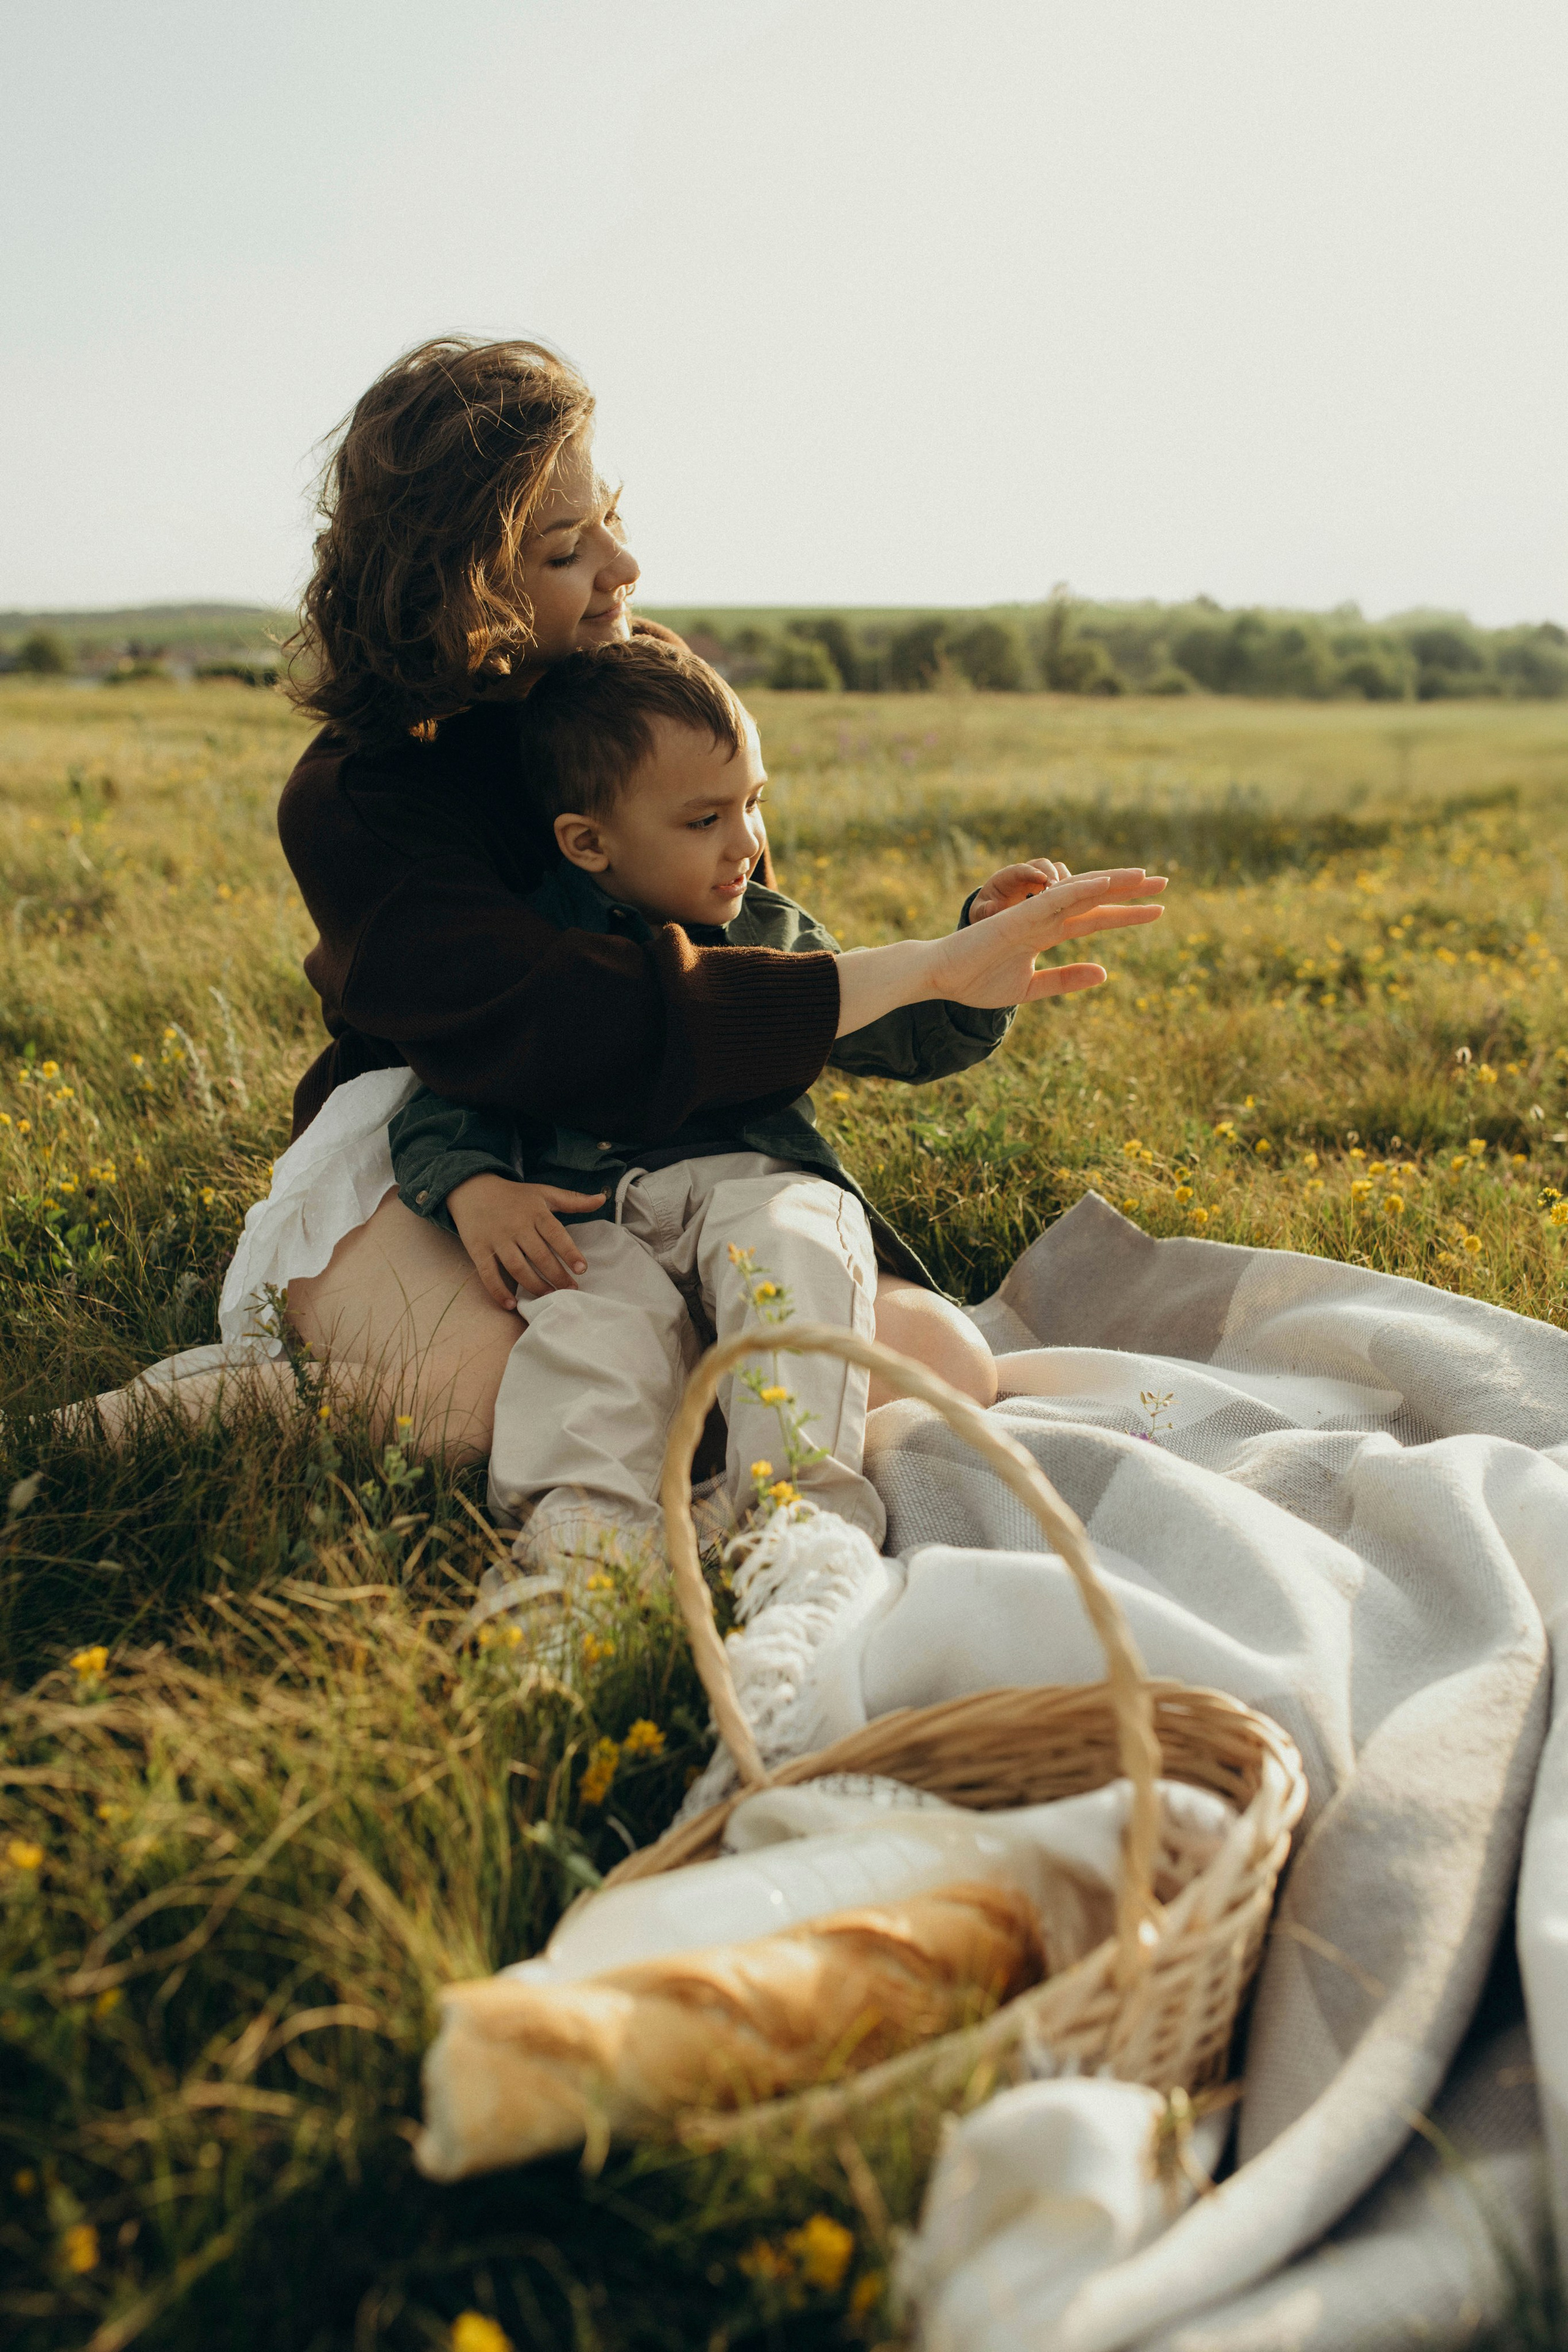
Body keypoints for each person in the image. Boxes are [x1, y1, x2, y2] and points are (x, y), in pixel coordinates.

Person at [93, 334, 1165, 1457]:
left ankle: (691, 1406)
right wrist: (914, 971)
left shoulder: (631, 686)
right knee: (480, 1407)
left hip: (687, 1139)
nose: (624, 567)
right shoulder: (361, 796)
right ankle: (141, 1418)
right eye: (566, 548)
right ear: (455, 583)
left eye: (608, 514)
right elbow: (580, 1019)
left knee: (936, 1369)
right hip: (452, 1139)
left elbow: (743, 942)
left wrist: (965, 968)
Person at [387, 636, 1161, 1562]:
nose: (748, 842)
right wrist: (474, 1183)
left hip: (751, 1184)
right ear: (588, 841)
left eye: (754, 803)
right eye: (704, 819)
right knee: (593, 1338)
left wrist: (969, 966)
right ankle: (584, 1541)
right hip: (594, 1211)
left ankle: (797, 1521)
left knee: (799, 1256)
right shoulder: (537, 948)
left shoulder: (765, 930)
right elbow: (460, 1076)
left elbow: (886, 1029)